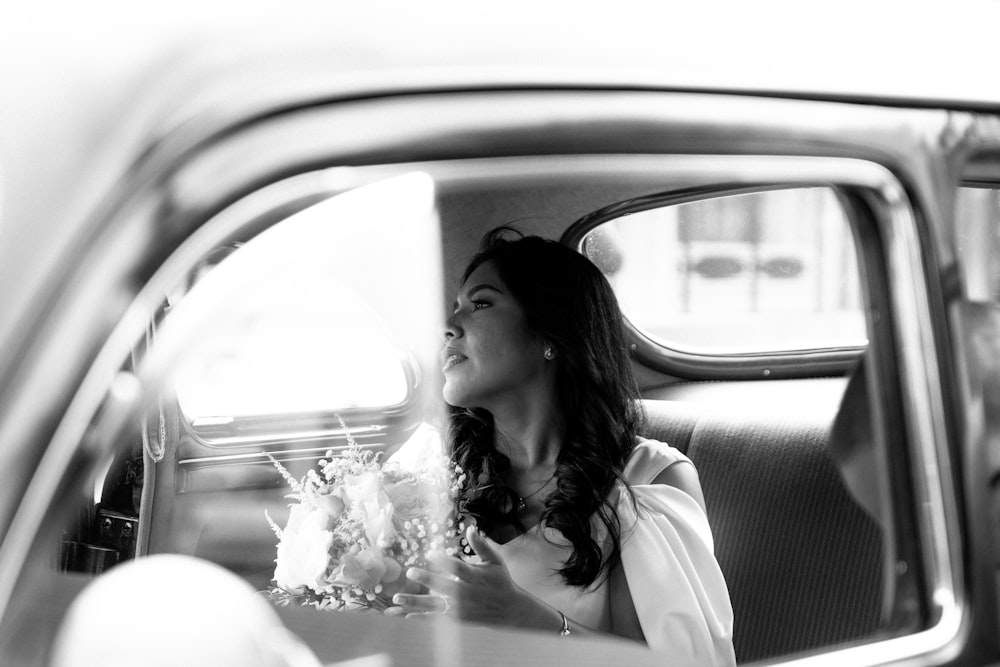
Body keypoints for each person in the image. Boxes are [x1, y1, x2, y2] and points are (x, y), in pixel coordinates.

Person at [389, 227, 735, 665]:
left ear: (551, 333)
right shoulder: (424, 467)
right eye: (455, 307)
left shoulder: (645, 482)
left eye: (480, 303)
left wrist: (527, 620)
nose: (448, 326)